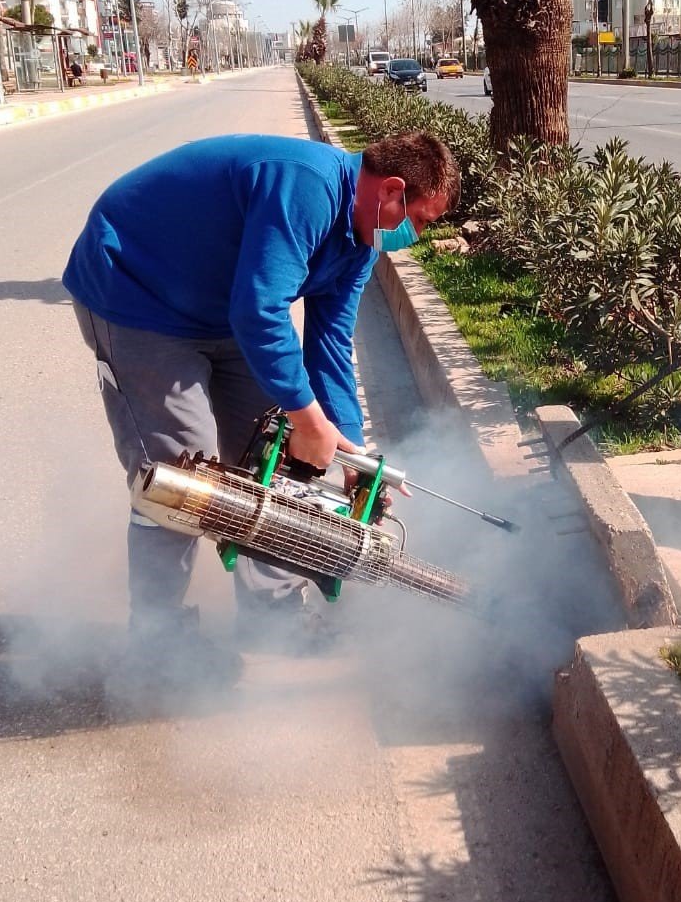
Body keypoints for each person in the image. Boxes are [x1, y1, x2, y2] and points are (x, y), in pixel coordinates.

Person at [63, 130, 459, 680]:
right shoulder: (308, 186)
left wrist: (352, 455)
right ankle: (156, 646)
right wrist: (306, 416)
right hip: (137, 295)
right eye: (420, 220)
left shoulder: (360, 241)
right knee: (182, 474)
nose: (416, 235)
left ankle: (272, 616)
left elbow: (330, 342)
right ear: (391, 190)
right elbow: (260, 312)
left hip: (224, 308)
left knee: (278, 455)